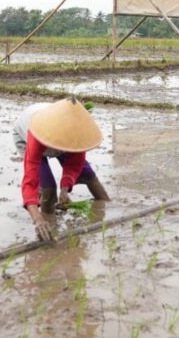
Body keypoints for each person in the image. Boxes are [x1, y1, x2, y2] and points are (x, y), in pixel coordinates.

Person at [14, 98, 110, 241]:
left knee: (87, 173)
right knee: (47, 187)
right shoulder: (37, 134)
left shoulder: (76, 133)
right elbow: (30, 180)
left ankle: (106, 203)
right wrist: (37, 218)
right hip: (29, 137)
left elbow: (75, 163)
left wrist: (65, 188)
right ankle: (49, 225)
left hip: (60, 133)